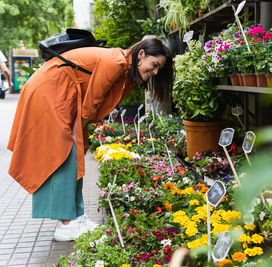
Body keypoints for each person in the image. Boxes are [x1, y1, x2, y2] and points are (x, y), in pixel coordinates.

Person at [7, 38, 174, 241]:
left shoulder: (126, 69)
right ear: (141, 55)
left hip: (59, 91)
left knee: (73, 154)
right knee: (64, 154)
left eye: (159, 69)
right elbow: (92, 102)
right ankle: (65, 224)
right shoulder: (116, 62)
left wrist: (82, 136)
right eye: (154, 65)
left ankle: (76, 217)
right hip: (50, 90)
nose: (155, 72)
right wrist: (80, 134)